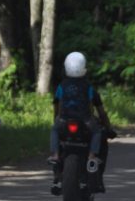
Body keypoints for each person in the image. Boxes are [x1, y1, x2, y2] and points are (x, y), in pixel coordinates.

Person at [48, 52, 113, 192]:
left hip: (64, 120)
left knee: (54, 130)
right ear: (84, 68)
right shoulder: (88, 87)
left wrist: (57, 120)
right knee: (97, 132)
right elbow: (101, 112)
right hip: (86, 121)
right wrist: (109, 128)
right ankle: (92, 156)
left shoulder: (61, 86)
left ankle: (55, 155)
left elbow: (56, 106)